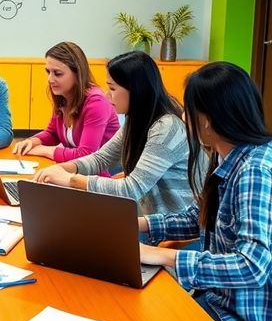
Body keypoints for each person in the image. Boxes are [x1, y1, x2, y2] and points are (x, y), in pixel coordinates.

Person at [138, 62, 272, 321]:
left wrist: (162, 256)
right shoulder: (226, 154)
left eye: (189, 109)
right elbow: (201, 218)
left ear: (207, 120)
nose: (183, 115)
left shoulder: (256, 173)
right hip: (225, 301)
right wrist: (140, 225)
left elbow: (252, 266)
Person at [32, 50, 196, 217]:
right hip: (149, 218)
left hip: (171, 228)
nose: (106, 94)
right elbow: (101, 158)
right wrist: (59, 169)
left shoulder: (166, 128)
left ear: (135, 90)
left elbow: (131, 189)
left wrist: (70, 179)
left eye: (112, 88)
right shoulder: (138, 118)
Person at [13, 41, 120, 162]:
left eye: (57, 73)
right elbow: (52, 133)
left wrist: (44, 150)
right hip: (78, 170)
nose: (50, 79)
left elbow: (86, 155)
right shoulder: (63, 95)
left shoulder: (97, 102)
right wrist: (32, 141)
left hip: (104, 172)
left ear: (77, 73)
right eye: (48, 72)